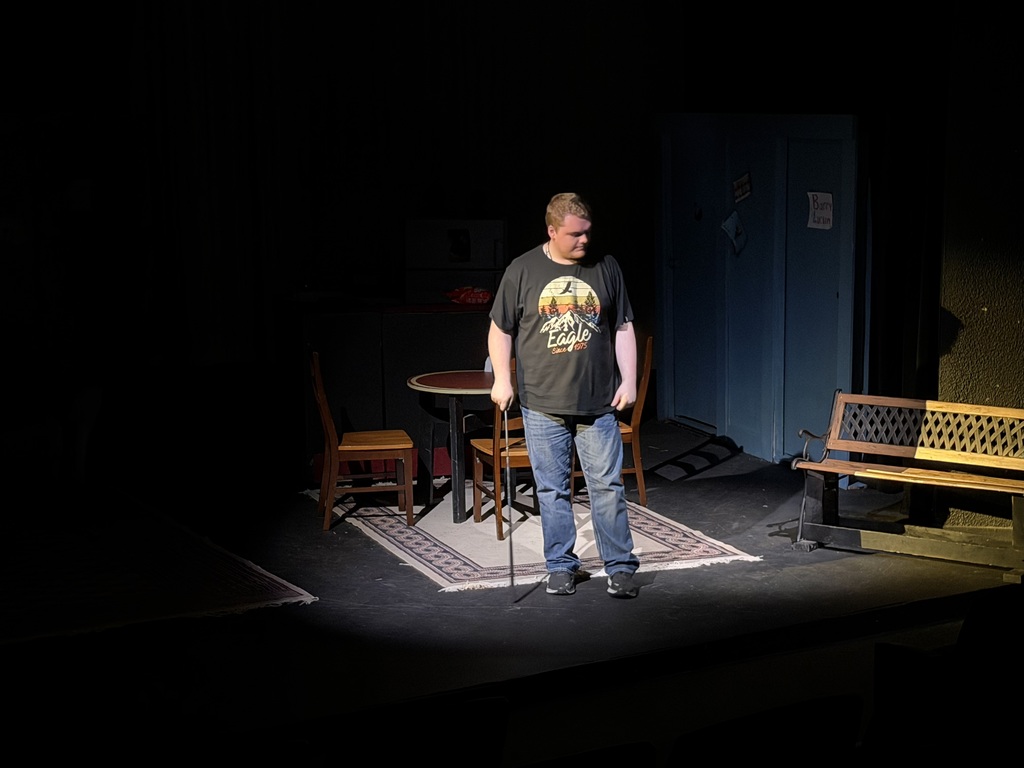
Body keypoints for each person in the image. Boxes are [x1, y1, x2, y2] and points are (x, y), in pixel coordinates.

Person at [488, 192, 641, 598]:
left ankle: (620, 567)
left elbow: (623, 326)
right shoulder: (522, 270)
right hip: (542, 403)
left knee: (607, 487)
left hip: (598, 402)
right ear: (552, 231)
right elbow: (500, 328)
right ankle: (560, 565)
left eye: (587, 233)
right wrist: (502, 379)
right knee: (552, 490)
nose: (584, 241)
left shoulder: (606, 267)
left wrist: (629, 380)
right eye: (575, 235)